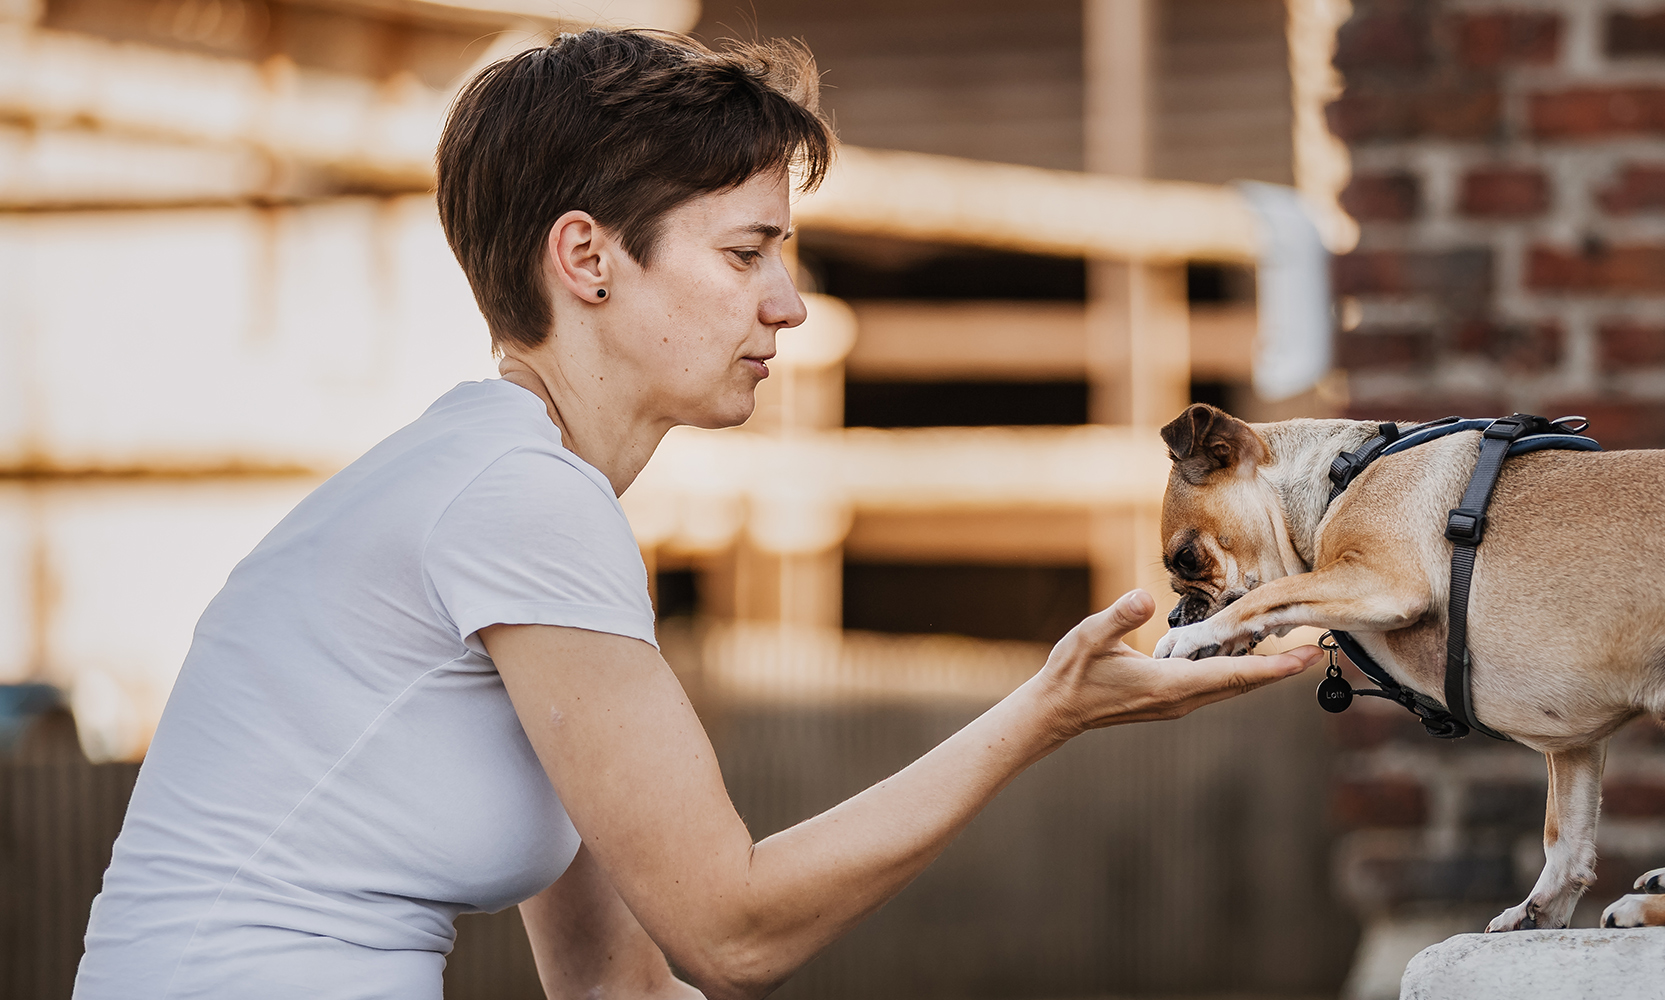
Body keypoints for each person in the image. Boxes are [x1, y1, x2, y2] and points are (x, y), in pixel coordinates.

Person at [73, 29, 1318, 1000]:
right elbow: (732, 928)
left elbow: (617, 980)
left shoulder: (515, 490)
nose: (789, 306)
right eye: (744, 254)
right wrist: (1043, 713)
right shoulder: (517, 500)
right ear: (587, 257)